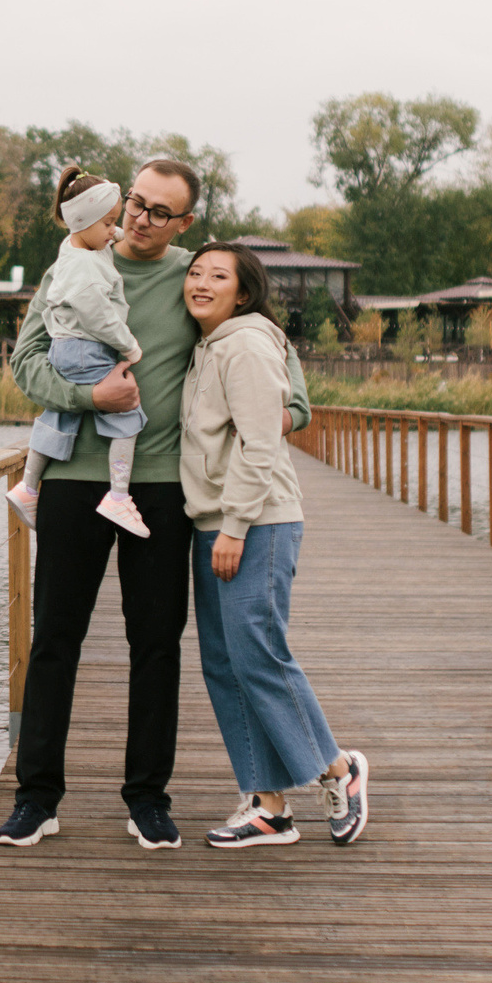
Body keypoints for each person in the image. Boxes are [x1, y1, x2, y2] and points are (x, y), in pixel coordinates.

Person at [0, 157, 309, 854]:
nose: (139, 218)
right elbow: (26, 363)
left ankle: (147, 799)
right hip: (74, 478)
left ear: (184, 222)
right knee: (55, 639)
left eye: (159, 211)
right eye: (134, 202)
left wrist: (260, 424)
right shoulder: (74, 262)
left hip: (164, 487)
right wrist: (88, 396)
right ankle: (36, 798)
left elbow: (291, 387)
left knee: (157, 644)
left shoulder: (198, 279)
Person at [177, 241, 370, 850]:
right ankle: (268, 805)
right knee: (224, 664)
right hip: (214, 520)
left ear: (244, 293)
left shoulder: (247, 345)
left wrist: (235, 525)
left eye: (218, 276)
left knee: (258, 655)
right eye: (195, 272)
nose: (201, 283)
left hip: (255, 522)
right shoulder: (209, 345)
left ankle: (338, 770)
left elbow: (262, 441)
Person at [7, 165, 150, 540]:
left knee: (59, 415)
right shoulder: (85, 267)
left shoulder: (75, 246)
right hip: (87, 348)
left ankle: (28, 486)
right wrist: (129, 346)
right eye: (109, 223)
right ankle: (118, 496)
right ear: (84, 221)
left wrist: (115, 232)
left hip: (66, 348)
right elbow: (99, 317)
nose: (113, 231)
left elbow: (101, 234)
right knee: (127, 416)